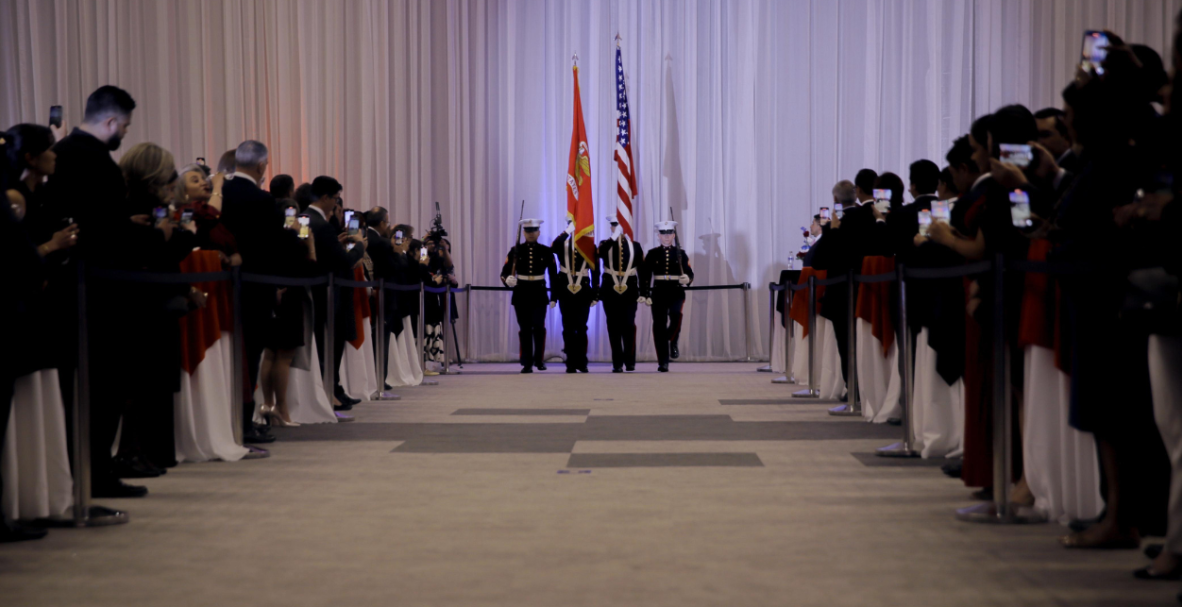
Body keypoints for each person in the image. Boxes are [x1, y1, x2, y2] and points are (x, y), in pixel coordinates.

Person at [113, 142, 201, 474]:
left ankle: (144, 450)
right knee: (148, 380)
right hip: (147, 300)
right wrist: (184, 235)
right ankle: (141, 451)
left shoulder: (129, 201)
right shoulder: (147, 205)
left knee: (148, 380)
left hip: (145, 296)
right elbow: (164, 251)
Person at [218, 139, 287, 445]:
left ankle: (229, 420)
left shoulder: (219, 194)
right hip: (257, 289)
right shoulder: (263, 201)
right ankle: (245, 422)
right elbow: (274, 248)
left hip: (219, 284)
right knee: (250, 355)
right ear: (261, 166)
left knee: (227, 357)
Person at [305, 176, 366, 407]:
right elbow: (343, 261)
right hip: (327, 293)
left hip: (318, 290)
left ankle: (333, 388)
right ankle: (329, 390)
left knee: (326, 345)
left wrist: (335, 246)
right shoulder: (321, 224)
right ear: (325, 197)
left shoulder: (306, 218)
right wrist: (359, 245)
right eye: (336, 198)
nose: (337, 204)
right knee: (327, 344)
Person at [500, 219, 556, 373]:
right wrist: (508, 280)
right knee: (524, 328)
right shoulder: (515, 251)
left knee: (539, 327)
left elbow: (553, 275)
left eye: (534, 231)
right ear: (524, 233)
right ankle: (527, 362)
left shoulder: (546, 251)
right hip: (521, 293)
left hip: (539, 292)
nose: (531, 234)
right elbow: (504, 272)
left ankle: (539, 360)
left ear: (538, 232)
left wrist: (554, 297)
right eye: (528, 231)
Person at [642, 220, 693, 372]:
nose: (666, 236)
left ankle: (672, 339)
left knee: (676, 315)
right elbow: (645, 275)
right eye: (663, 234)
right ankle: (663, 362)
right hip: (658, 291)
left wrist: (687, 279)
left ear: (673, 235)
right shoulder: (652, 253)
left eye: (669, 233)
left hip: (676, 290)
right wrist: (645, 293)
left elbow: (689, 272)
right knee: (659, 325)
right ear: (658, 235)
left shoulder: (680, 253)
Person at [597, 215, 646, 372]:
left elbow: (642, 271)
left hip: (629, 290)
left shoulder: (636, 246)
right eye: (614, 225)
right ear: (611, 227)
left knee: (629, 325)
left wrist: (645, 292)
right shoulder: (606, 244)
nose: (617, 228)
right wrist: (613, 236)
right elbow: (599, 254)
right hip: (610, 290)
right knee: (613, 326)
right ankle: (617, 363)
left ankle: (630, 361)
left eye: (620, 225)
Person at [551, 219, 599, 373]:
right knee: (568, 328)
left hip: (583, 289)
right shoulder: (563, 245)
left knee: (582, 327)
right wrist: (566, 232)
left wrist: (595, 294)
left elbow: (595, 270)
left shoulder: (589, 246)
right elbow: (554, 247)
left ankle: (582, 361)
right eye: (573, 226)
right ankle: (570, 362)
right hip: (565, 289)